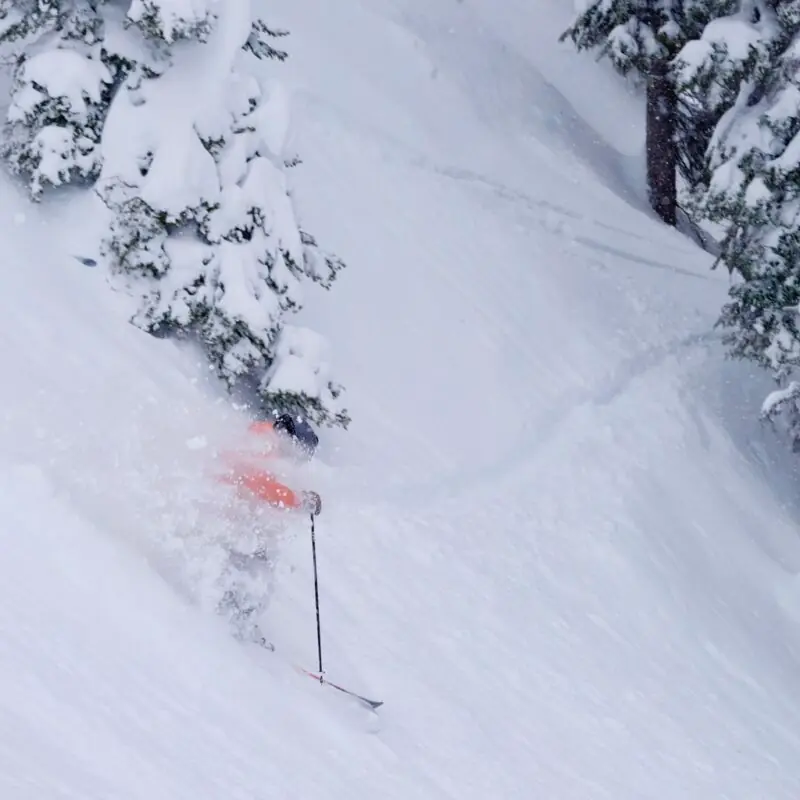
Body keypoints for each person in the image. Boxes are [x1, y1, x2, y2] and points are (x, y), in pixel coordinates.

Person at [216, 412, 322, 645]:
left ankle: (236, 616)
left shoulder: (264, 437)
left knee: (256, 562)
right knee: (253, 565)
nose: (295, 460)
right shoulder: (264, 441)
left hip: (232, 513)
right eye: (298, 454)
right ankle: (232, 620)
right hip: (227, 513)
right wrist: (299, 500)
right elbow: (260, 483)